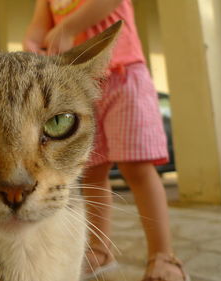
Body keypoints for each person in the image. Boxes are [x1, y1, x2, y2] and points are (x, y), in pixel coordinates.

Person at [23, 1, 189, 281]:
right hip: (79, 87)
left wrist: (68, 28)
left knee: (137, 168)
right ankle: (99, 251)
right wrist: (31, 43)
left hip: (123, 74)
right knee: (92, 171)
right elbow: (39, 26)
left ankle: (163, 255)